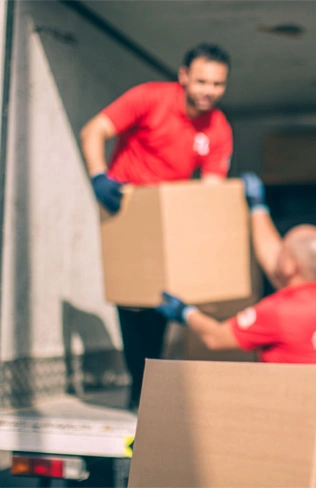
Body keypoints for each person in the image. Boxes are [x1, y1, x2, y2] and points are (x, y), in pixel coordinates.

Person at [79, 43, 233, 410]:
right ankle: (139, 387)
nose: (209, 91)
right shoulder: (149, 98)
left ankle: (146, 388)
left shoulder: (218, 127)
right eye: (202, 81)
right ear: (184, 76)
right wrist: (98, 176)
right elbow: (94, 130)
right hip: (127, 207)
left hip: (170, 217)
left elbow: (210, 189)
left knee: (162, 302)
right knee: (133, 301)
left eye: (217, 84)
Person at [156, 172, 316, 366]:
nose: (277, 252)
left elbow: (216, 338)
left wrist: (184, 312)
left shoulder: (278, 312)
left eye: (283, 251)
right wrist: (257, 206)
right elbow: (271, 257)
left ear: (292, 266)